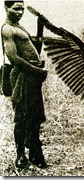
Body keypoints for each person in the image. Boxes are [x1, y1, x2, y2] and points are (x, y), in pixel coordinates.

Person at [2, 0, 48, 169]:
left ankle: (34, 153)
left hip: (32, 77)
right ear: (7, 8)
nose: (20, 12)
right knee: (21, 117)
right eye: (16, 9)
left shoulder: (19, 27)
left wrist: (40, 27)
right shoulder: (7, 29)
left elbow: (34, 49)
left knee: (35, 116)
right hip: (22, 77)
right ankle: (20, 156)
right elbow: (14, 59)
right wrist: (37, 71)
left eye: (22, 9)